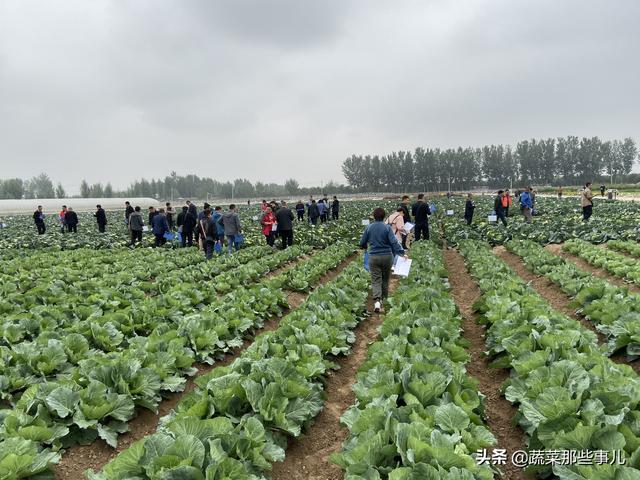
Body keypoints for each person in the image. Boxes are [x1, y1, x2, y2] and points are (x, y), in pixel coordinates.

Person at [359, 207, 406, 314]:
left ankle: (377, 302)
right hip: (387, 257)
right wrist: (402, 252)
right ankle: (384, 303)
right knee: (385, 279)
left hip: (374, 257)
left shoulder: (369, 227)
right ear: (384, 216)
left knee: (376, 280)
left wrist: (364, 246)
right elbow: (394, 242)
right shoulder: (387, 228)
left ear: (374, 216)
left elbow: (362, 243)